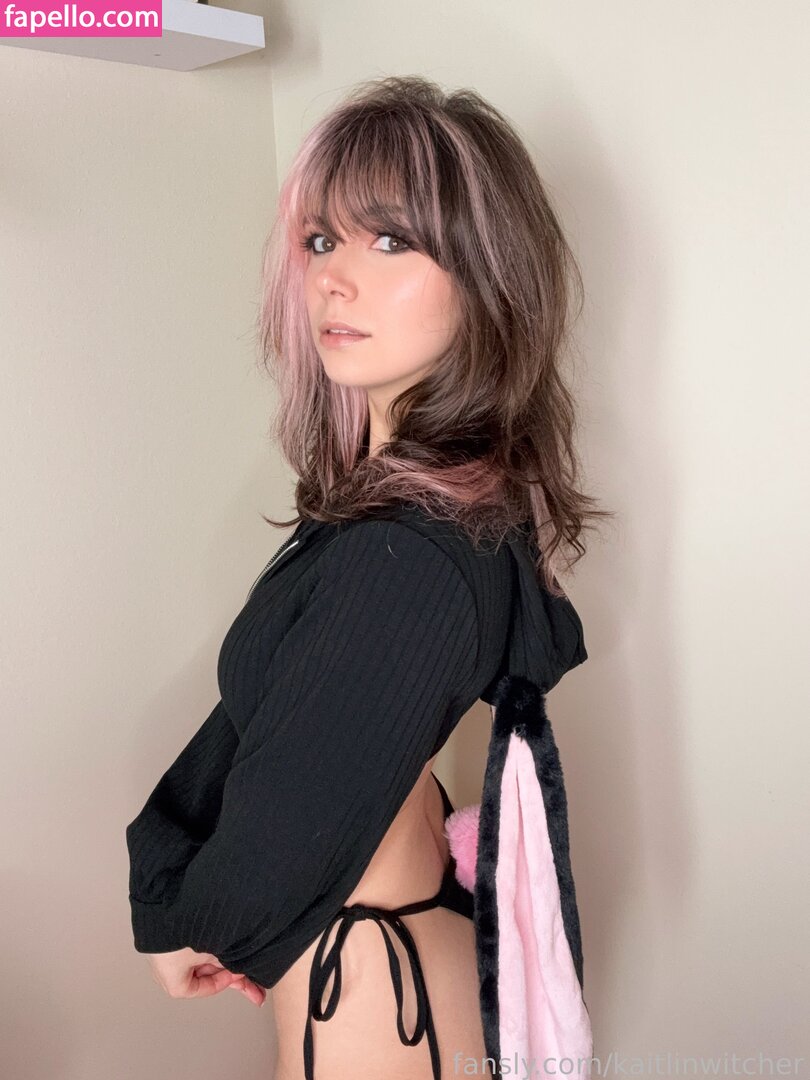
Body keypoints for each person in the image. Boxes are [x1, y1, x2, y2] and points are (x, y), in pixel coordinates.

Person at [126, 74, 611, 1080]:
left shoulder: (407, 557)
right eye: (321, 241)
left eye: (391, 241)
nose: (334, 280)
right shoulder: (408, 518)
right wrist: (168, 881)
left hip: (372, 995)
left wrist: (190, 920)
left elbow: (289, 812)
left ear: (486, 276)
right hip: (386, 955)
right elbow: (280, 731)